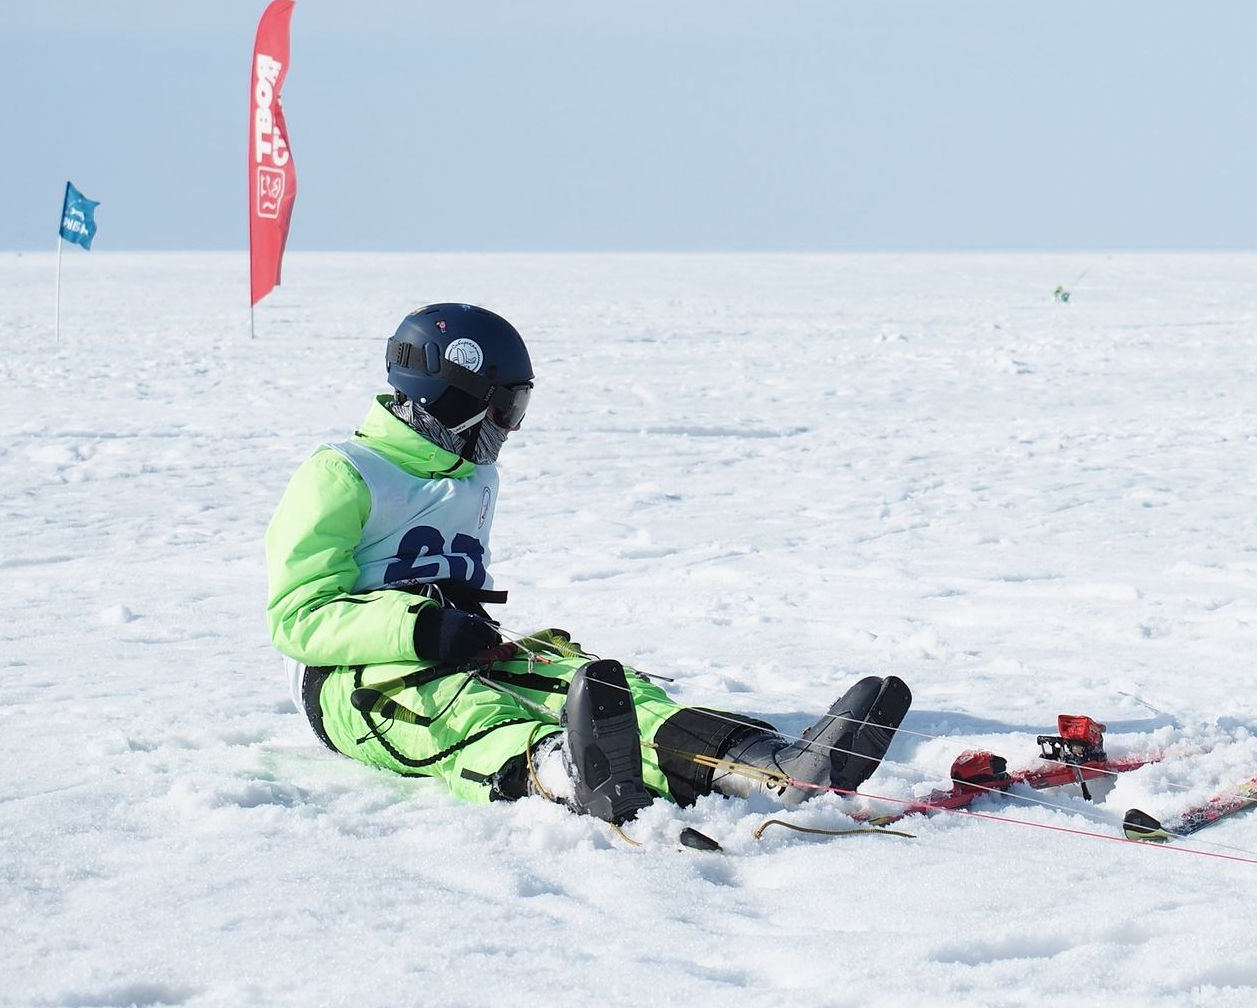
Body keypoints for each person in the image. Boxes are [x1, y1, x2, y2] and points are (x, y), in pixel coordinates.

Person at [266, 303, 909, 825]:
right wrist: (417, 630)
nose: (509, 429)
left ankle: (765, 768)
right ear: (450, 394)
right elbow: (295, 618)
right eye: (503, 407)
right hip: (348, 679)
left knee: (604, 689)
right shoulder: (345, 475)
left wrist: (469, 631)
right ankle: (561, 773)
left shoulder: (476, 477)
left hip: (462, 644)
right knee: (462, 709)